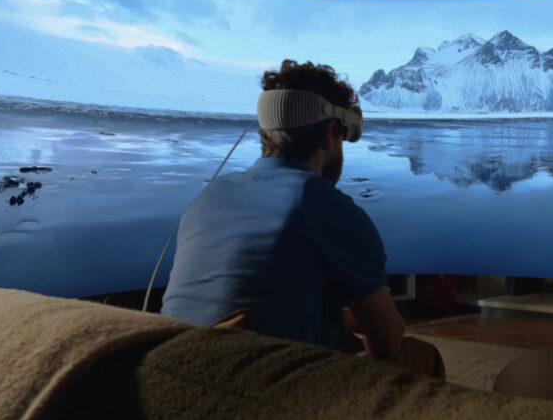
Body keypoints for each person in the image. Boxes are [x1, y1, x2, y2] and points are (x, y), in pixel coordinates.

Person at [161, 60, 443, 378]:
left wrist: (346, 319)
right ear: (329, 134)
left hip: (176, 370)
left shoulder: (208, 197)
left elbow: (259, 302)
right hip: (258, 395)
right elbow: (387, 344)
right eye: (342, 136)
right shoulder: (326, 206)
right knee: (420, 356)